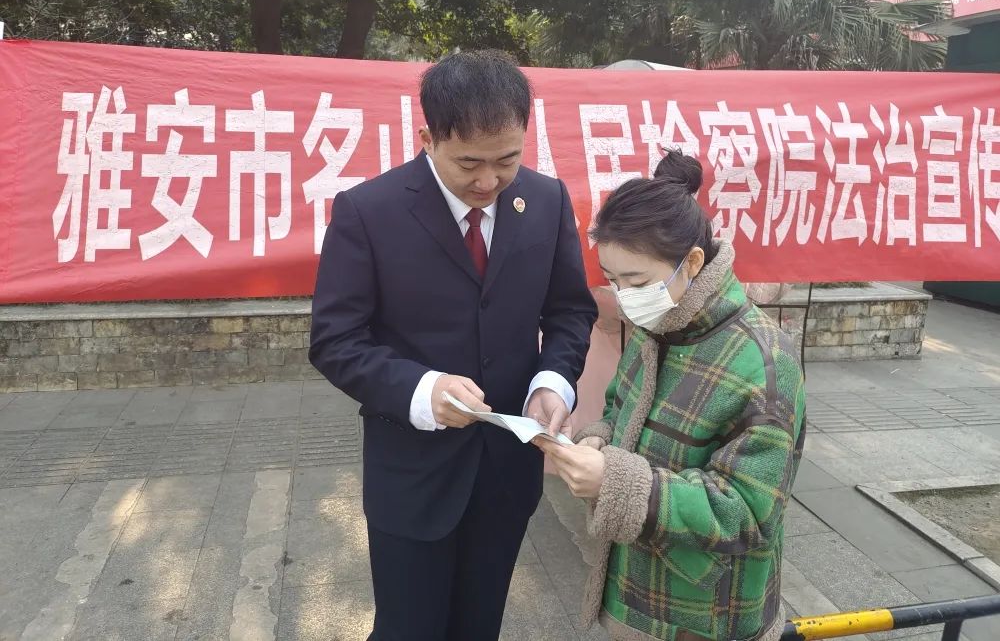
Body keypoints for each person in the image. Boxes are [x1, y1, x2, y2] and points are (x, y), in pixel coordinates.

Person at [309, 50, 598, 641]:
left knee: (479, 624)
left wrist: (552, 382)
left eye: (507, 160)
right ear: (428, 138)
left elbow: (570, 311)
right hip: (412, 473)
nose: (488, 182)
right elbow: (335, 340)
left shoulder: (546, 201)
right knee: (408, 628)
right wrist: (423, 389)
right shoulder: (369, 212)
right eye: (469, 163)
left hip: (506, 471)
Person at [535, 150, 806, 641]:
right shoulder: (658, 323)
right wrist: (598, 440)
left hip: (706, 613)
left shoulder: (764, 361)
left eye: (637, 281)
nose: (624, 297)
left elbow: (749, 513)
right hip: (633, 588)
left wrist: (614, 481)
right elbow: (620, 405)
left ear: (693, 262)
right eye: (613, 281)